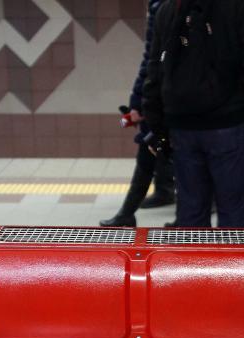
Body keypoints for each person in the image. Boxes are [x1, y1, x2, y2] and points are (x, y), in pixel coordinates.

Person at [143, 0, 244, 227]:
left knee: (191, 214)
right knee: (234, 217)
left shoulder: (168, 8)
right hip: (233, 124)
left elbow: (154, 70)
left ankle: (194, 261)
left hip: (181, 127)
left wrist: (158, 125)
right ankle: (229, 262)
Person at [100, 0, 175, 228]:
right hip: (176, 96)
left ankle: (129, 213)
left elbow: (151, 62)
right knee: (154, 150)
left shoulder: (162, 10)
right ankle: (132, 211)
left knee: (158, 150)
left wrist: (139, 104)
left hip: (168, 98)